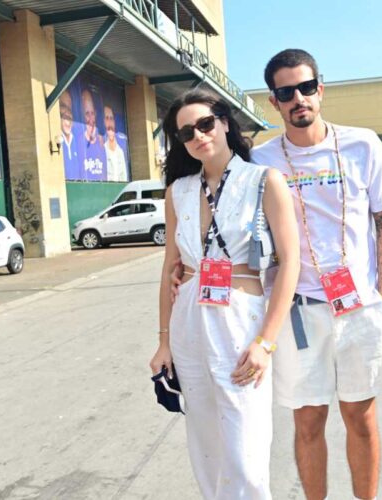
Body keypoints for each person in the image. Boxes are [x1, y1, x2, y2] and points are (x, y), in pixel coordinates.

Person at [249, 48, 382, 500]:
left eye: (305, 87)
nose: (298, 97)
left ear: (321, 89)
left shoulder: (362, 143)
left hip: (360, 307)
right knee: (308, 421)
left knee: (361, 416)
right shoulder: (261, 161)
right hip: (298, 310)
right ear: (273, 101)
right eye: (286, 91)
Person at [149, 89, 300, 499]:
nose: (198, 135)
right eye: (186, 133)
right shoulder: (177, 191)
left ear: (225, 122)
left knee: (245, 449)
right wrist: (164, 342)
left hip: (239, 320)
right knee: (205, 443)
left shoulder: (264, 181)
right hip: (188, 322)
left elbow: (290, 262)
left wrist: (265, 343)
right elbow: (170, 267)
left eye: (205, 124)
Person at [80, 89, 107, 180]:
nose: (90, 118)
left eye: (92, 113)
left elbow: (105, 174)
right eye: (87, 113)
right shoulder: (79, 142)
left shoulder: (101, 142)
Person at [59, 90, 82, 179]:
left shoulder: (77, 139)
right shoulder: (55, 139)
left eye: (70, 109)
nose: (67, 113)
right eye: (64, 106)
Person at [103, 104, 128, 182]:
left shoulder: (121, 147)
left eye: (111, 118)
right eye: (107, 118)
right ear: (103, 121)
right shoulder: (101, 147)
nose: (110, 122)